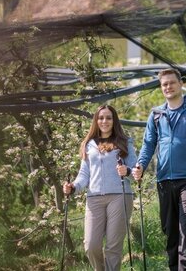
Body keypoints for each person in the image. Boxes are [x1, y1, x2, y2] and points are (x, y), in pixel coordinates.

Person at [132, 68, 186, 271]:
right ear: (161, 88)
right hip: (164, 180)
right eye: (164, 84)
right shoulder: (156, 114)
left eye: (172, 82)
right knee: (169, 229)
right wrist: (140, 165)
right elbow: (148, 144)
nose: (168, 87)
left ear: (180, 84)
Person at [64, 105, 137, 271]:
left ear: (114, 120)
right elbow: (84, 175)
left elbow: (135, 172)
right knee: (91, 245)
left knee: (113, 247)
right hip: (94, 198)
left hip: (120, 196)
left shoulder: (125, 142)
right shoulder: (89, 145)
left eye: (108, 118)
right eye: (101, 118)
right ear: (96, 121)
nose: (104, 121)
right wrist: (73, 187)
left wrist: (127, 171)